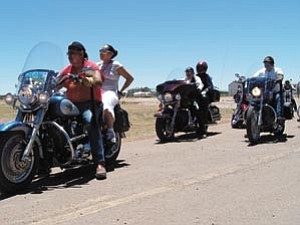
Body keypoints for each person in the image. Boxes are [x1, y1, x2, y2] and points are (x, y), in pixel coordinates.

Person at [56, 41, 106, 179]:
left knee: (90, 121)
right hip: (71, 104)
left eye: (73, 53)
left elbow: (98, 81)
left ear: (81, 53)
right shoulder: (67, 70)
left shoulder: (90, 66)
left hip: (89, 104)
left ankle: (100, 164)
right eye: (68, 53)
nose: (70, 56)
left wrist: (88, 80)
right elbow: (56, 83)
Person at [97, 44, 134, 142]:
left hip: (110, 92)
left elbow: (129, 78)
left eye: (103, 51)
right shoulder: (97, 65)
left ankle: (110, 131)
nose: (101, 53)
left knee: (106, 105)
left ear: (110, 54)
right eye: (100, 51)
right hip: (98, 92)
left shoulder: (116, 65)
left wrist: (120, 91)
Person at [195, 61, 214, 135]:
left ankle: (203, 125)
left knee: (202, 105)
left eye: (202, 68)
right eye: (199, 68)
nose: (200, 69)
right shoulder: (195, 76)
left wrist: (206, 90)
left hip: (204, 95)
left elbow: (210, 86)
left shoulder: (206, 76)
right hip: (196, 94)